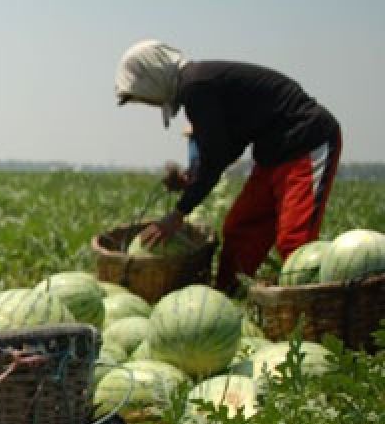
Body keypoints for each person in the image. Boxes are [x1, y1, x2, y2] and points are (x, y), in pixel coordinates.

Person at [114, 39, 342, 293]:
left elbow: (216, 158)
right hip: (272, 154)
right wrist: (191, 179)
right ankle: (228, 295)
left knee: (294, 243)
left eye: (144, 97)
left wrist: (178, 214)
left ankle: (305, 316)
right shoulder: (198, 86)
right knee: (240, 229)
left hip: (306, 141)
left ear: (152, 76)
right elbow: (224, 148)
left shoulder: (196, 86)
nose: (150, 104)